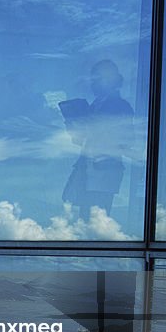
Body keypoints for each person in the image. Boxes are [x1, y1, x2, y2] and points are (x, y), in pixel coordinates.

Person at [60, 59, 134, 218]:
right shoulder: (96, 105)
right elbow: (81, 140)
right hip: (89, 171)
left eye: (96, 79)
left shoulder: (120, 105)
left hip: (103, 173)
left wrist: (92, 128)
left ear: (109, 79)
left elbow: (125, 140)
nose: (92, 83)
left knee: (96, 219)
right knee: (86, 218)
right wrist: (74, 127)